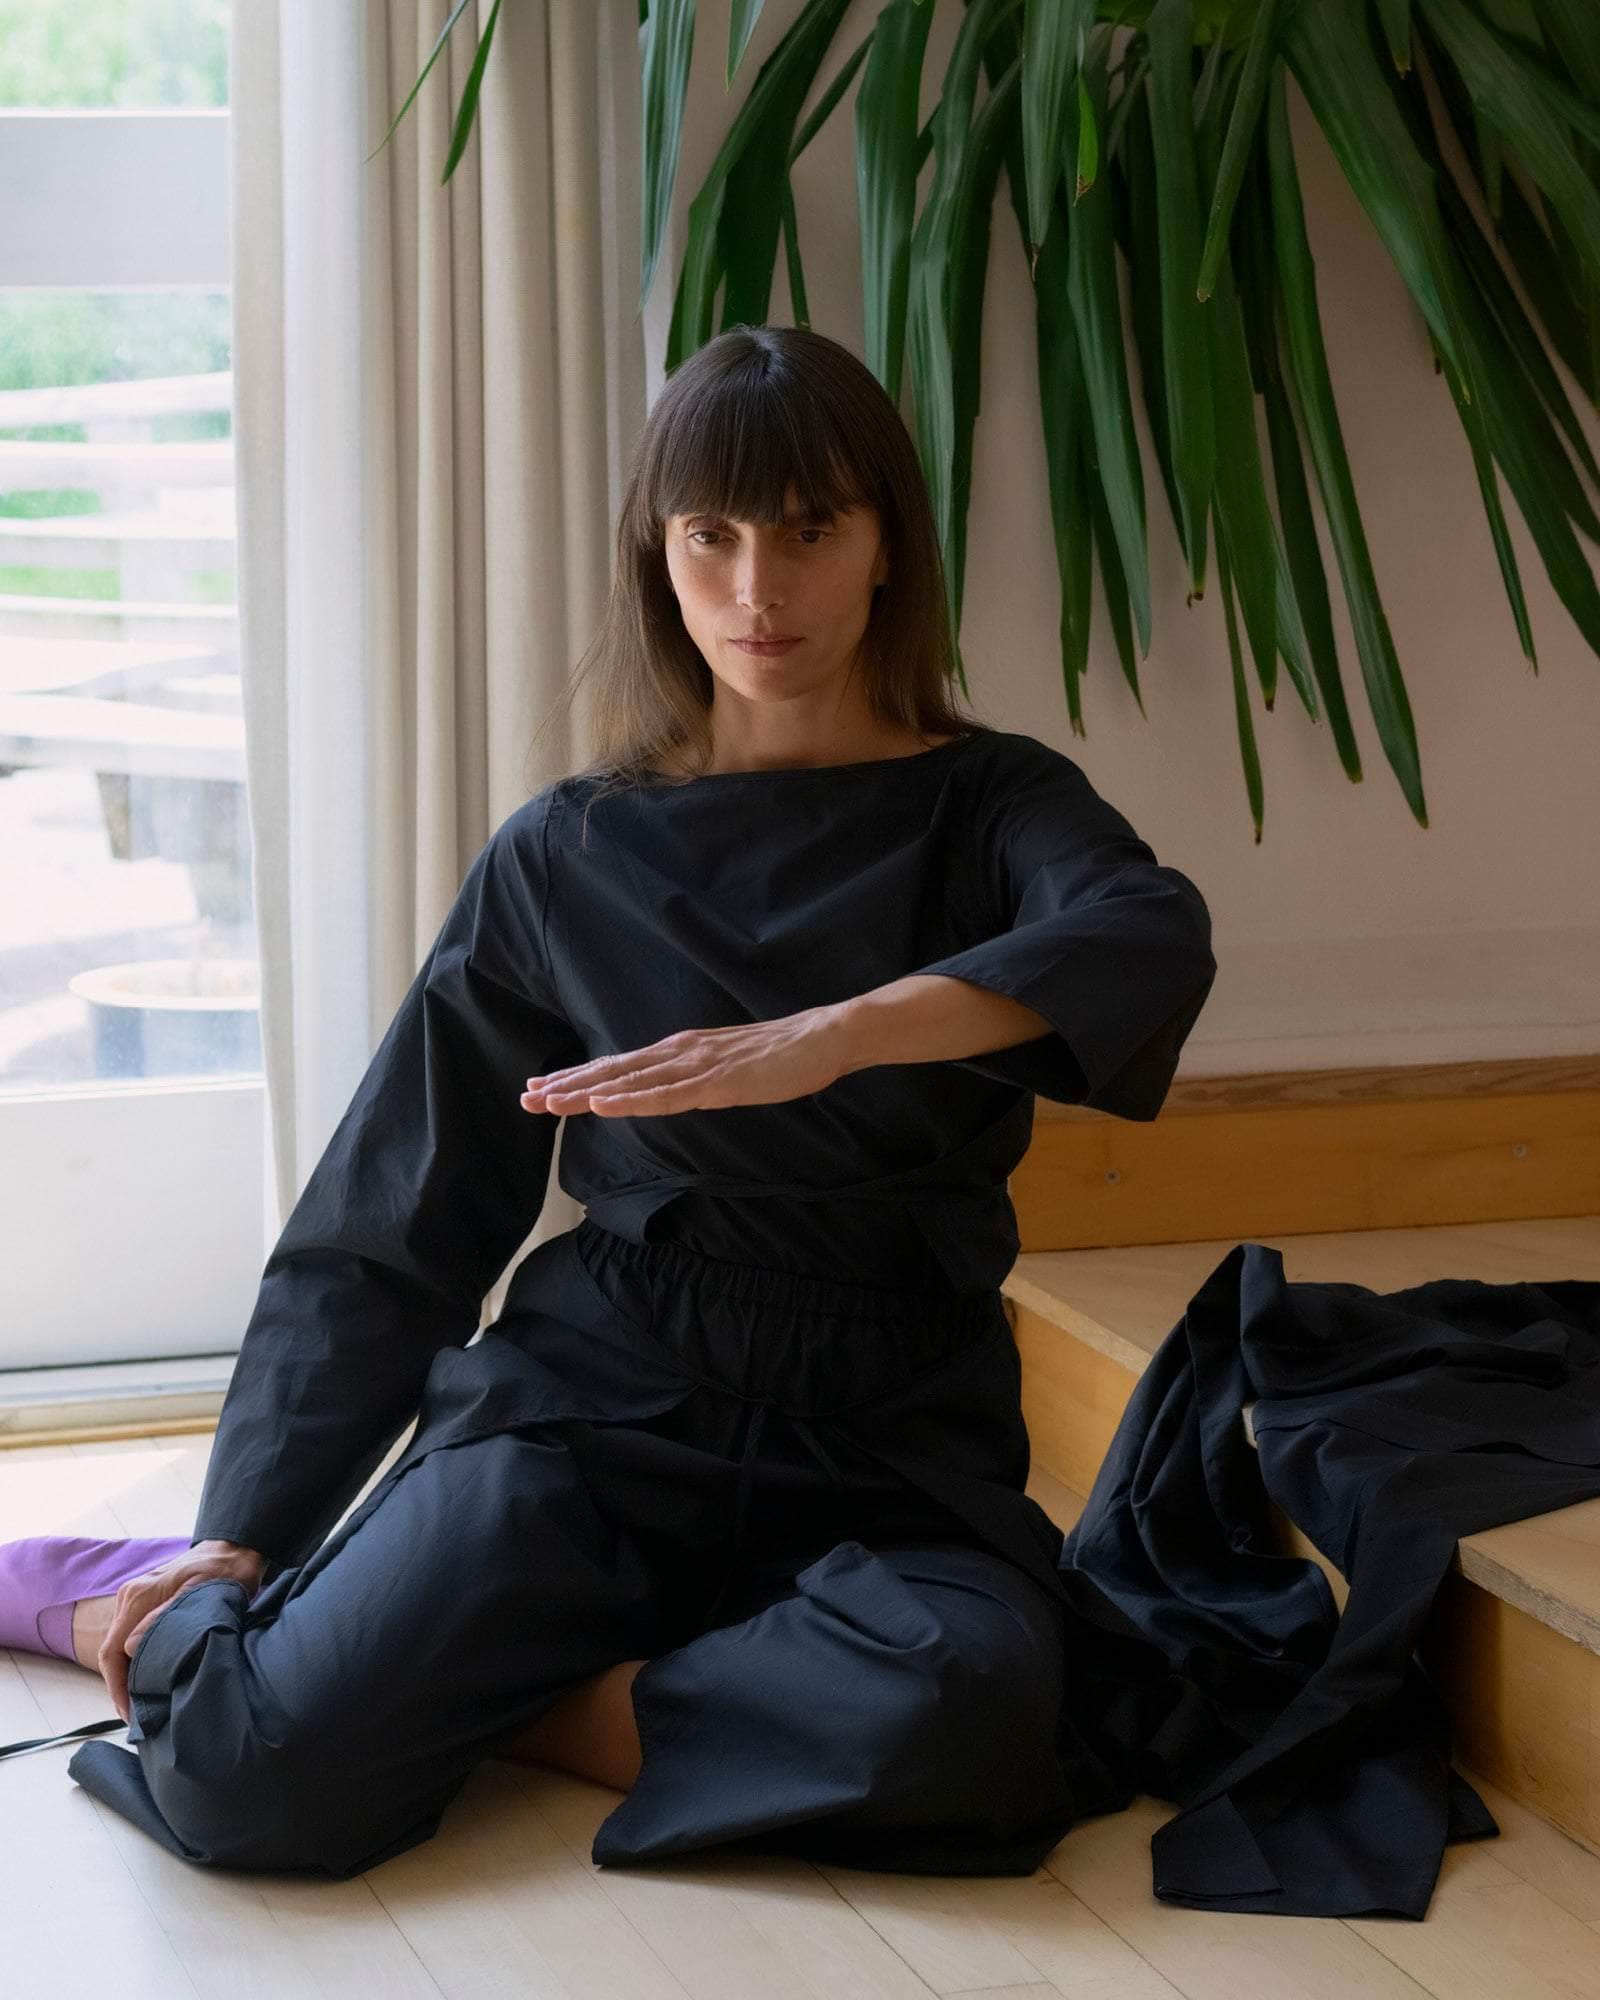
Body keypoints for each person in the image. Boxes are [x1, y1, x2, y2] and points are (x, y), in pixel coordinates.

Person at [0, 323, 1216, 1878]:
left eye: (811, 531)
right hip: (599, 1407)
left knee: (974, 1715)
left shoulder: (994, 806)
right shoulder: (568, 851)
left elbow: (1141, 931)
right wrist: (246, 1527)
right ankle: (124, 1597)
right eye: (713, 536)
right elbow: (394, 1220)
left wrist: (835, 1036)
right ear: (659, 553)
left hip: (892, 1434)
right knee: (254, 1781)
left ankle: (510, 1703)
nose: (760, 589)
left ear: (888, 548)